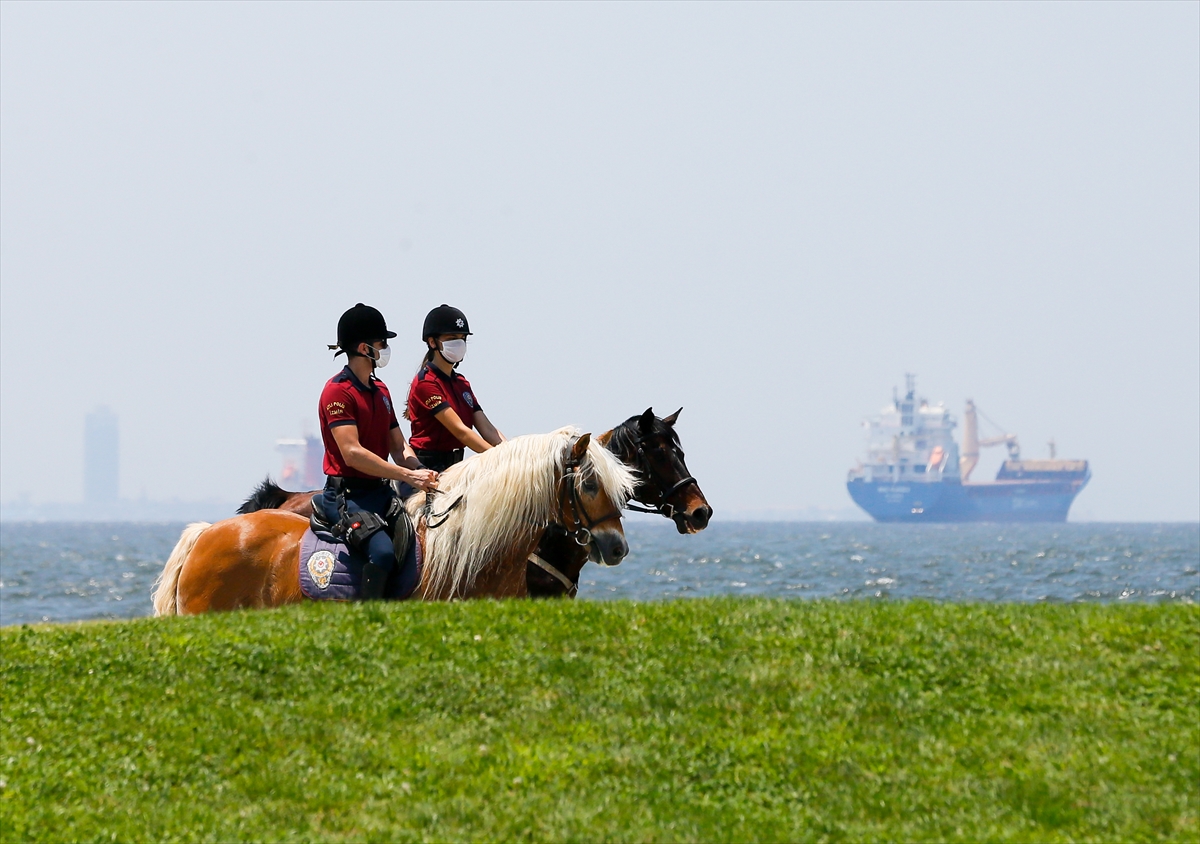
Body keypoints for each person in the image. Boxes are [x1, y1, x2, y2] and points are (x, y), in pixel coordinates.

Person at [318, 303, 438, 600]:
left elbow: (399, 446)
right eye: (381, 343)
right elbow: (352, 453)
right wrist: (407, 475)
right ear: (364, 348)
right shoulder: (337, 392)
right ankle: (369, 622)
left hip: (380, 494)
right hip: (347, 497)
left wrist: (420, 469)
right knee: (383, 553)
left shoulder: (381, 390)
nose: (386, 349)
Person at [406, 304, 506, 473]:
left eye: (462, 338)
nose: (459, 343)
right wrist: (497, 459)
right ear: (432, 342)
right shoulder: (426, 383)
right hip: (428, 469)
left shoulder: (462, 383)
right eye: (452, 338)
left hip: (457, 467)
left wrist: (510, 452)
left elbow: (487, 428)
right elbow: (461, 431)